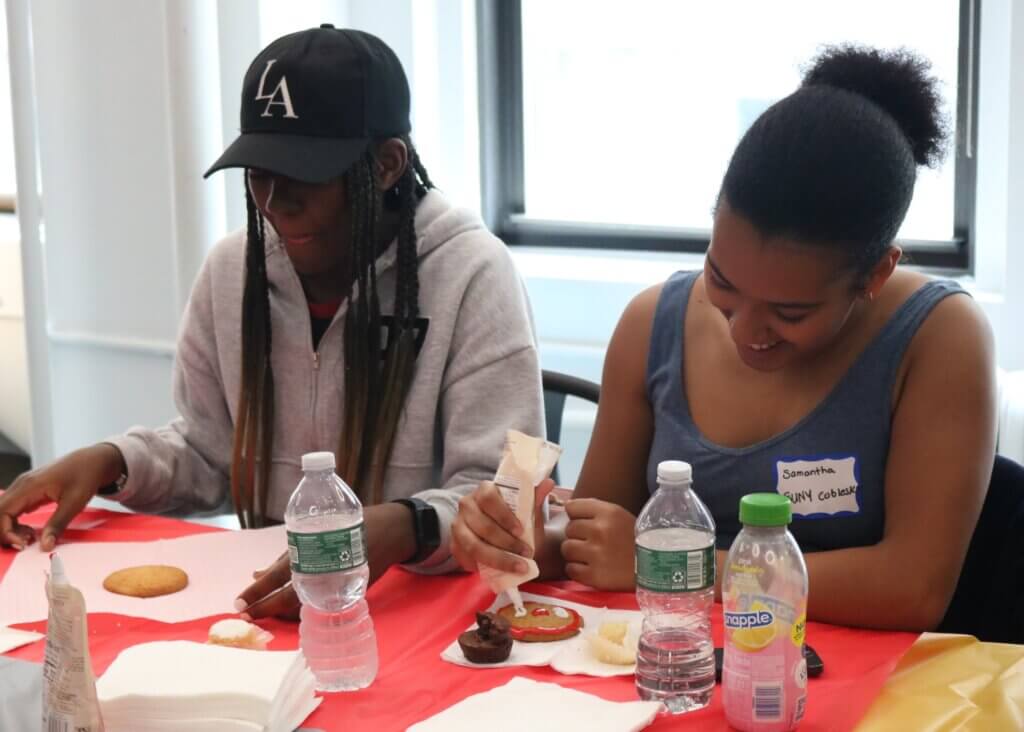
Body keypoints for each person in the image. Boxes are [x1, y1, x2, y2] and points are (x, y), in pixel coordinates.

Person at [0, 25, 544, 619]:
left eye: (306, 174)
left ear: (388, 164)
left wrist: (402, 527)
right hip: (271, 612)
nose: (275, 202)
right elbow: (211, 456)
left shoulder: (472, 273)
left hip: (422, 616)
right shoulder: (233, 269)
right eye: (259, 172)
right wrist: (113, 461)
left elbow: (500, 504)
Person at [452, 45, 997, 632]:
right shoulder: (651, 325)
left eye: (791, 311)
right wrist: (524, 539)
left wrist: (674, 567)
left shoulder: (937, 339)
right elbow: (598, 535)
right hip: (673, 666)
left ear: (875, 275)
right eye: (723, 281)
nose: (745, 330)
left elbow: (913, 588)